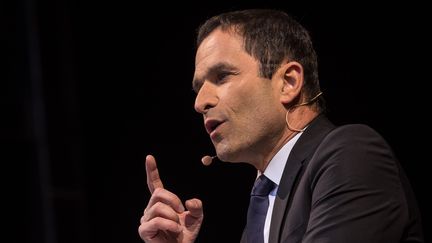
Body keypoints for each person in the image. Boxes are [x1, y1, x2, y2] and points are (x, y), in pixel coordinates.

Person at [138, 9, 424, 243]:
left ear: (288, 82)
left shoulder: (352, 154)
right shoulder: (266, 198)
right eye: (198, 88)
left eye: (222, 76)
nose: (200, 102)